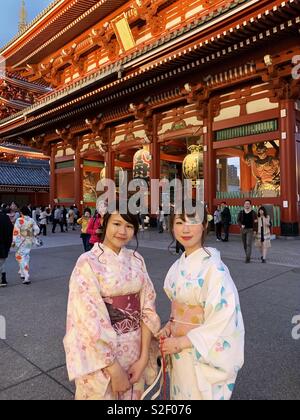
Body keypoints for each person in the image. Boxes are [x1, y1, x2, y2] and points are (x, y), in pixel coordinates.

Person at [64, 204, 161, 400]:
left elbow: (147, 308)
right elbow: (87, 318)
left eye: (129, 226)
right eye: (117, 223)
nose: (122, 231)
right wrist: (114, 369)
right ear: (104, 222)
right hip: (101, 356)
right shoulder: (87, 262)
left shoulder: (137, 259)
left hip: (135, 347)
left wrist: (143, 359)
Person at [157, 203, 244, 400]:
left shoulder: (215, 269)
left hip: (197, 352)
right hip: (178, 351)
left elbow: (224, 321)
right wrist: (170, 327)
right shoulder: (176, 267)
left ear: (205, 225)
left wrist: (181, 342)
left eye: (193, 221)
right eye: (179, 222)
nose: (185, 229)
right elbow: (178, 312)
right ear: (172, 226)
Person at [13, 207, 40, 285]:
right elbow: (37, 229)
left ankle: (26, 275)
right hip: (29, 241)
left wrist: (15, 241)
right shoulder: (31, 220)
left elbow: (16, 231)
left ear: (21, 212)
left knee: (20, 257)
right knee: (26, 256)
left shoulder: (19, 220)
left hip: (21, 241)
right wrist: (32, 235)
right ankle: (22, 272)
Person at [0, 205, 13, 287]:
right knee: (2, 262)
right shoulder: (5, 218)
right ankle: (3, 279)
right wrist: (8, 245)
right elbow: (10, 232)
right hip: (2, 244)